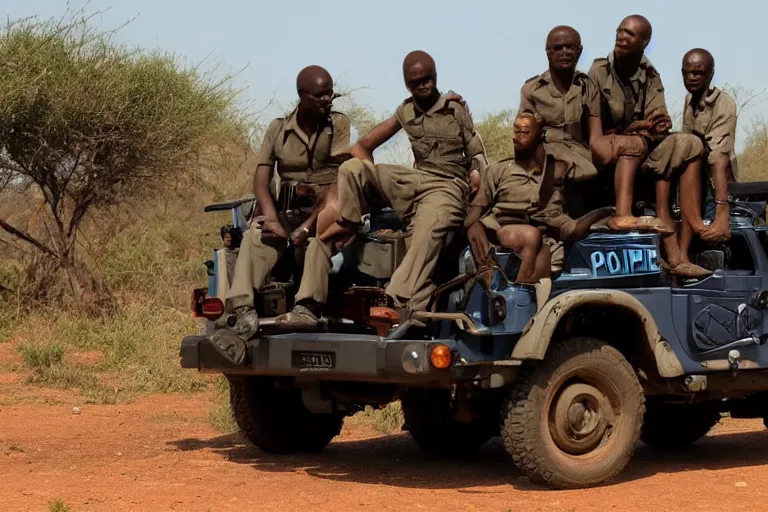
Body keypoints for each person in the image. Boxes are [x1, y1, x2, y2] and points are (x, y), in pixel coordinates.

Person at [276, 50, 487, 328]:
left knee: (429, 229)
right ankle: (348, 225)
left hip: (447, 186)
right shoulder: (406, 110)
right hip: (415, 180)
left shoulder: (455, 108)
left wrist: (476, 187)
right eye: (414, 82)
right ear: (406, 84)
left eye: (427, 79)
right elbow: (361, 146)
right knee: (351, 168)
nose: (422, 86)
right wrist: (368, 190)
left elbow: (478, 155)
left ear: (435, 77)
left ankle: (395, 300)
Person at [209, 65, 350, 365]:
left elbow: (342, 180)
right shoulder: (277, 129)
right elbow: (261, 181)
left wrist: (308, 227)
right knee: (255, 238)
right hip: (287, 212)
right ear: (302, 96)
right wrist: (272, 218)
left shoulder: (338, 125)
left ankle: (306, 309)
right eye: (321, 95)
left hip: (326, 210)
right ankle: (243, 314)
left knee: (318, 242)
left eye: (330, 94)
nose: (328, 100)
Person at [588, 14, 710, 278]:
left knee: (690, 144)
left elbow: (657, 120)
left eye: (630, 34)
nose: (622, 37)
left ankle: (686, 246)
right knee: (634, 144)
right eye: (620, 31)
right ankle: (632, 219)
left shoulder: (650, 74)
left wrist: (656, 126)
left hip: (643, 146)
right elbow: (594, 134)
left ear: (644, 43)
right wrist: (637, 127)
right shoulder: (599, 71)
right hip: (608, 148)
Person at [465, 111, 612, 283]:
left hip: (538, 235)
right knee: (531, 235)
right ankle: (515, 293)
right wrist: (473, 226)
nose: (516, 137)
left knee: (545, 255)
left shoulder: (552, 177)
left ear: (539, 136)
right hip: (500, 229)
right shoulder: (499, 170)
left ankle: (520, 294)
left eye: (525, 132)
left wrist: (605, 211)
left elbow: (565, 224)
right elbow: (475, 212)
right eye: (516, 130)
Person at [519, 25, 602, 186]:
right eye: (558, 48)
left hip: (580, 153)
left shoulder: (588, 87)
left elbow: (596, 135)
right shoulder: (531, 89)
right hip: (545, 150)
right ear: (548, 52)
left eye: (570, 47)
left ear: (579, 50)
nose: (564, 52)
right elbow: (524, 136)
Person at [680, 48, 737, 247]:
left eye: (698, 73)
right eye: (686, 73)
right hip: (694, 181)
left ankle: (722, 216)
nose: (691, 77)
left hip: (716, 184)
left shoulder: (724, 104)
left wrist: (722, 208)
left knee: (716, 159)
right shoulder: (689, 101)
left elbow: (718, 156)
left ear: (710, 74)